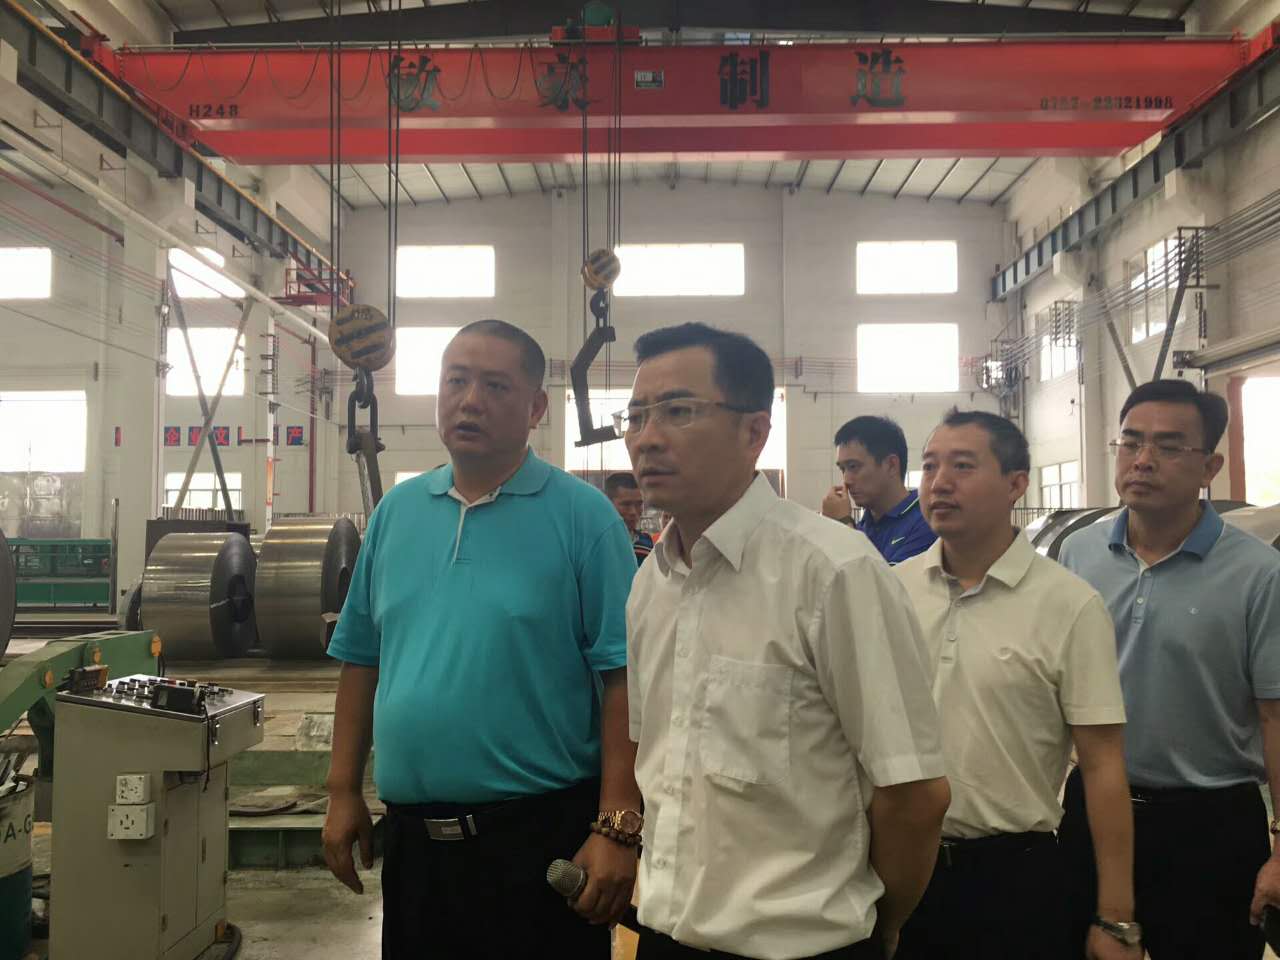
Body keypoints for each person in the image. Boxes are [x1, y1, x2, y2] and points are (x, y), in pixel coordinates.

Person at [623, 322, 950, 960]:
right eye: (636, 417)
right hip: (666, 935)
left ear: (754, 432)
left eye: (678, 411)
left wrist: (880, 926)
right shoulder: (651, 584)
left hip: (803, 947)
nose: (648, 437)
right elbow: (657, 764)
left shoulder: (833, 571)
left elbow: (914, 794)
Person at [322, 319, 642, 959]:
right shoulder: (396, 515)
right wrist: (342, 790)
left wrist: (617, 826)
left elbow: (624, 679)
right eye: (456, 381)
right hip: (415, 848)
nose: (470, 401)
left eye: (495, 386)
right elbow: (361, 660)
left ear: (536, 408)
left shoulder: (584, 520)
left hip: (540, 842)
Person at [893, 409, 1139, 960]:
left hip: (1015, 877)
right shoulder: (890, 592)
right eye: (929, 467)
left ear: (1016, 484)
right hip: (897, 869)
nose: (939, 483)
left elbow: (1102, 764)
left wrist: (1116, 916)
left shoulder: (1069, 605)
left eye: (962, 466)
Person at [1057, 378, 1280, 960]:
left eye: (1169, 446)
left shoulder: (1260, 573)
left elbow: (1275, 715)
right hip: (1092, 809)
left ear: (1210, 467)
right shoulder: (1077, 553)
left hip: (1210, 825)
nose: (1143, 459)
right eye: (1131, 442)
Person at [821, 416, 936, 565]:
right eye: (843, 469)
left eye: (853, 466)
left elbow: (881, 580)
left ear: (891, 465)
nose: (846, 480)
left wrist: (843, 524)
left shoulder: (926, 521)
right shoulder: (861, 528)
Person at [605, 471, 654, 565]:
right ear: (608, 503)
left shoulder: (647, 543)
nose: (633, 512)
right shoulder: (596, 544)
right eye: (626, 504)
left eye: (639, 504)